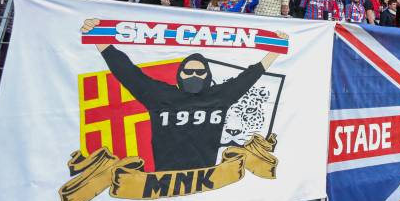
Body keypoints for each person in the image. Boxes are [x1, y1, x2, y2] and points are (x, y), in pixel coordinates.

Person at [91, 30, 279, 170]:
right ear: (180, 75)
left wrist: (276, 49)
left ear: (207, 74)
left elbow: (249, 77)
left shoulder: (219, 96)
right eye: (188, 72)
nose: (194, 75)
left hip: (205, 179)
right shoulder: (160, 95)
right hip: (165, 180)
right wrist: (97, 37)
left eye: (199, 72)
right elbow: (127, 72)